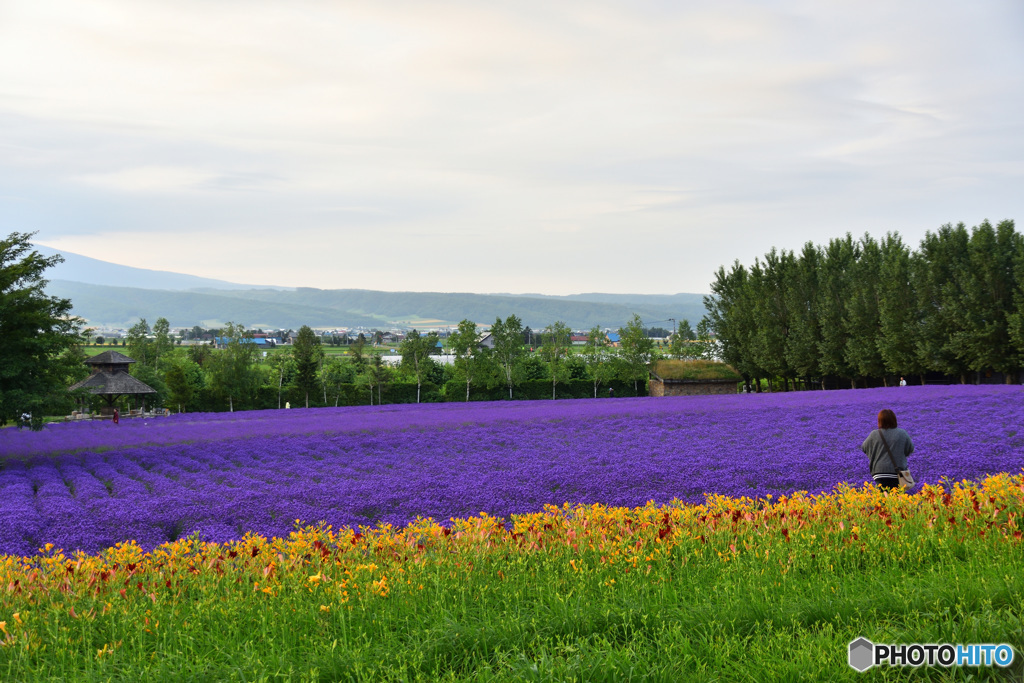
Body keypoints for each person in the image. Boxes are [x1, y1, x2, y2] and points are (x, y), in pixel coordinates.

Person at [861, 408, 913, 490]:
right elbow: (910, 449)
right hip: (897, 472)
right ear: (894, 420)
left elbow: (864, 447)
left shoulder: (874, 434)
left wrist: (874, 455)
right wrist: (899, 454)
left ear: (880, 421)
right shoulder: (902, 433)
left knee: (883, 496)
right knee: (897, 497)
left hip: (879, 472)